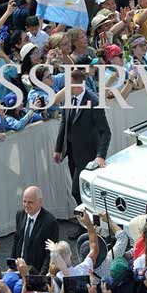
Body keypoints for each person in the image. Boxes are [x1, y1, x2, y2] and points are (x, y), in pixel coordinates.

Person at [53, 69, 112, 206]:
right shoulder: (69, 99)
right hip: (72, 153)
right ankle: (85, 216)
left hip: (87, 155)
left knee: (77, 191)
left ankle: (85, 216)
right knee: (80, 191)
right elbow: (64, 123)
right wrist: (58, 148)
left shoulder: (94, 102)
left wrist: (101, 156)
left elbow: (105, 132)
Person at [10, 186, 59, 273]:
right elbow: (17, 240)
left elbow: (49, 254)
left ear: (40, 202)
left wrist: (41, 276)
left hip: (36, 271)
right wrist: (11, 266)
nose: (26, 205)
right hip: (19, 268)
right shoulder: (20, 214)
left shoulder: (50, 222)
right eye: (24, 201)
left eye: (30, 202)